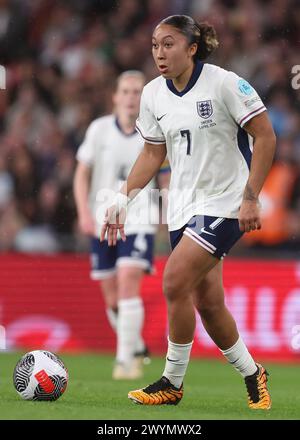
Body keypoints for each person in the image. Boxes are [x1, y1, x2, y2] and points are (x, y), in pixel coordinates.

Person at [101, 15, 277, 409]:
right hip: (182, 208)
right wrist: (122, 197)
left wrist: (251, 196)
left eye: (168, 44)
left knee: (173, 282)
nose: (159, 54)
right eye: (154, 45)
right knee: (209, 305)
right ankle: (254, 374)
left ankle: (172, 382)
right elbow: (152, 153)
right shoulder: (152, 95)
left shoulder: (225, 83)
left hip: (227, 202)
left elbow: (265, 135)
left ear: (192, 48)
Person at [74, 70, 170, 380]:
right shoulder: (99, 130)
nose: (131, 98)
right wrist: (84, 213)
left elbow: (165, 179)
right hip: (102, 218)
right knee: (113, 298)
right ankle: (137, 345)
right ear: (115, 97)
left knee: (129, 278)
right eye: (125, 91)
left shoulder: (155, 132)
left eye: (137, 92)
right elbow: (81, 174)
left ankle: (124, 361)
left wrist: (166, 215)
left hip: (138, 218)